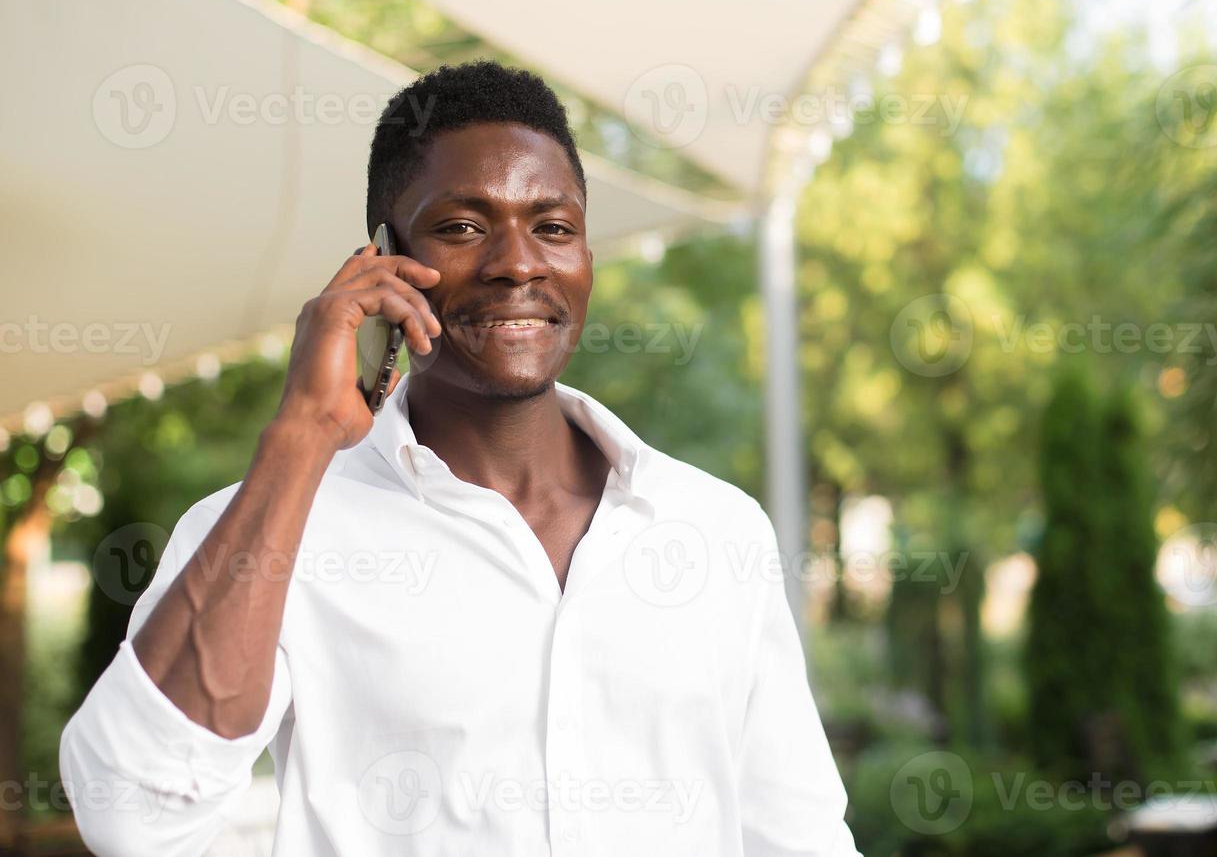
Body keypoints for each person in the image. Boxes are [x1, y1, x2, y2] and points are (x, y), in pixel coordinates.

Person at [59, 60, 861, 856]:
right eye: (464, 227)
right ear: (382, 259)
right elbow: (132, 816)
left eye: (553, 227)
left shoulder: (718, 528)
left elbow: (798, 839)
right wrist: (303, 432)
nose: (519, 262)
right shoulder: (275, 526)